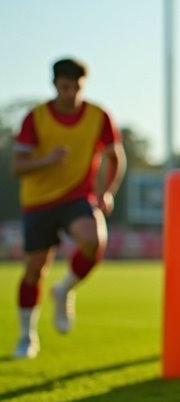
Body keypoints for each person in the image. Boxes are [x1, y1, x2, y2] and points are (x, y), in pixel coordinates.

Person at [10, 57, 126, 359]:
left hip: (78, 196)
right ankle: (27, 336)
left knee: (94, 240)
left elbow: (116, 157)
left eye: (77, 87)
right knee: (35, 269)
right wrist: (46, 160)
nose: (71, 93)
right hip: (39, 201)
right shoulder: (35, 118)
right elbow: (17, 165)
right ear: (55, 85)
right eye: (65, 87)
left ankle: (63, 291)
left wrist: (106, 192)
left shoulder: (98, 116)